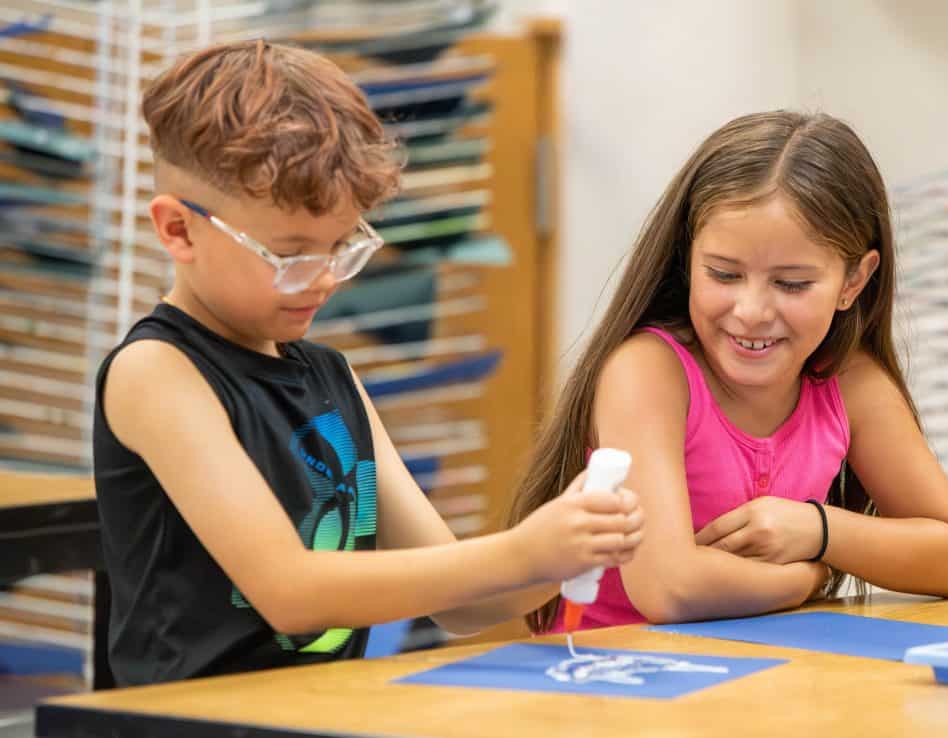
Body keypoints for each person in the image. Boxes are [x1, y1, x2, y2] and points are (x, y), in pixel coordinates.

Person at [92, 39, 644, 686]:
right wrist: (522, 550)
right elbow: (290, 591)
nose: (325, 280)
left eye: (342, 248)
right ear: (178, 230)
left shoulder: (332, 377)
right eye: (291, 256)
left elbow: (465, 604)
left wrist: (561, 552)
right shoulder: (157, 372)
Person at [508, 111, 948, 634]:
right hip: (611, 690)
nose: (751, 311)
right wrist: (809, 577)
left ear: (853, 281)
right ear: (689, 259)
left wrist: (817, 530)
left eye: (792, 283)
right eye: (724, 274)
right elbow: (669, 588)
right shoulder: (648, 372)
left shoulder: (851, 382)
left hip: (759, 684)